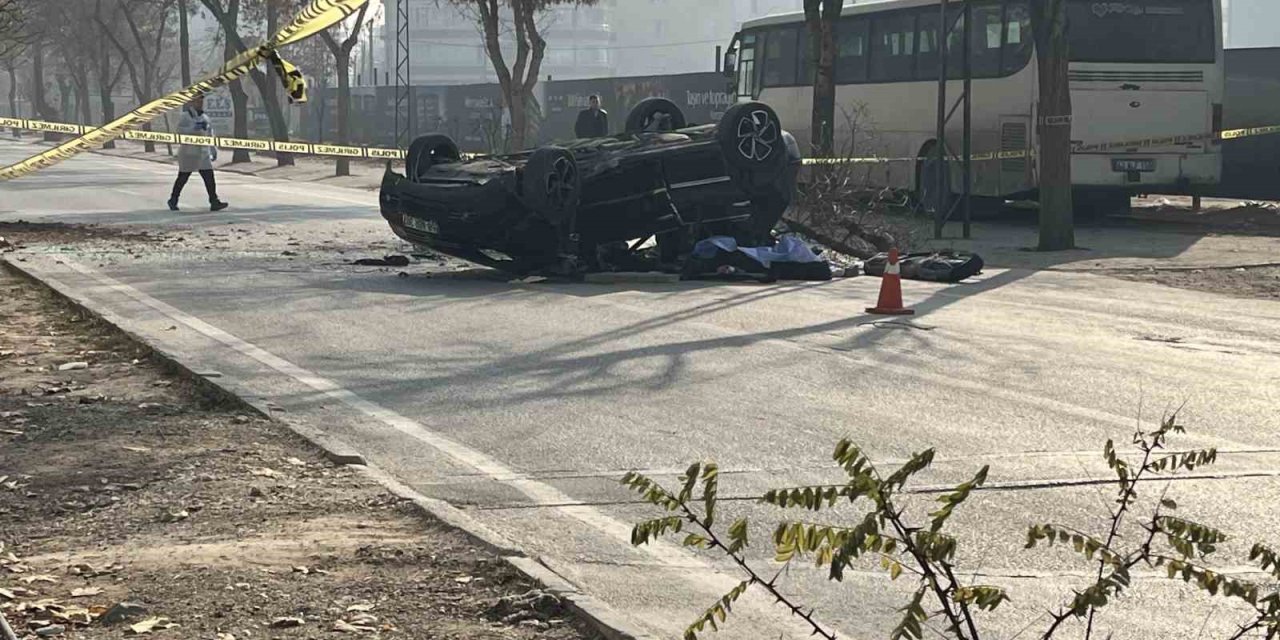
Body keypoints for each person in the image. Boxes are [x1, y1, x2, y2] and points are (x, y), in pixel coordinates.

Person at [168, 94, 229, 212]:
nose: (199, 104)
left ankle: (214, 201)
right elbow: (179, 132)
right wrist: (193, 128)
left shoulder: (205, 117)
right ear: (191, 103)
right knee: (183, 177)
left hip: (203, 152)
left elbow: (210, 134)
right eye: (197, 102)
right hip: (189, 152)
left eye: (201, 102)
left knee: (209, 177)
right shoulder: (185, 117)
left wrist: (213, 149)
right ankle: (173, 199)